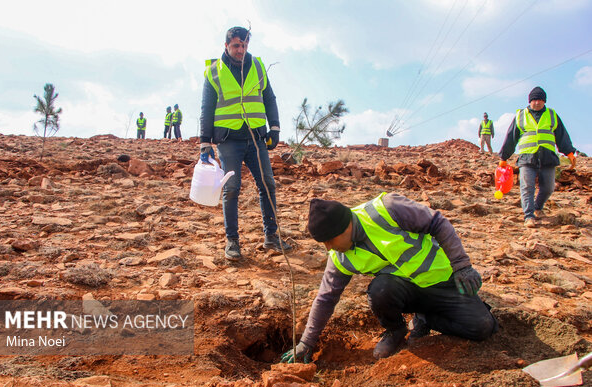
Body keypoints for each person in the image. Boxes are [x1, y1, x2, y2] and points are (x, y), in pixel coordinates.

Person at [281, 193, 498, 363]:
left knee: (482, 327)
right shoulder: (339, 257)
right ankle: (396, 330)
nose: (328, 248)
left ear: (345, 226)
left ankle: (425, 318)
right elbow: (325, 298)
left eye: (330, 240)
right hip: (406, 292)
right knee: (380, 289)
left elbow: (438, 223)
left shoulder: (387, 209)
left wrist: (462, 267)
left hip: (444, 282)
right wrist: (306, 343)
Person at [198, 26, 290, 260]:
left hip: (256, 138)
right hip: (228, 141)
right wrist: (204, 143)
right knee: (231, 189)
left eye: (245, 45)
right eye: (236, 45)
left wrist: (275, 127)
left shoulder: (258, 66)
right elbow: (207, 109)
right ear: (226, 45)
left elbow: (269, 97)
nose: (241, 50)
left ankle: (271, 237)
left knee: (267, 185)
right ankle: (232, 242)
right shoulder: (213, 72)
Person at [498, 86, 576, 228]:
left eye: (540, 100)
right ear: (530, 101)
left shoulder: (552, 115)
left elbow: (562, 136)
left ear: (544, 101)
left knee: (548, 188)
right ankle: (529, 216)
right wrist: (503, 158)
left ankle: (537, 207)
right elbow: (511, 137)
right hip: (527, 158)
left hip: (548, 158)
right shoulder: (521, 115)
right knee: (527, 187)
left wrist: (569, 152)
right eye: (534, 100)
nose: (537, 102)